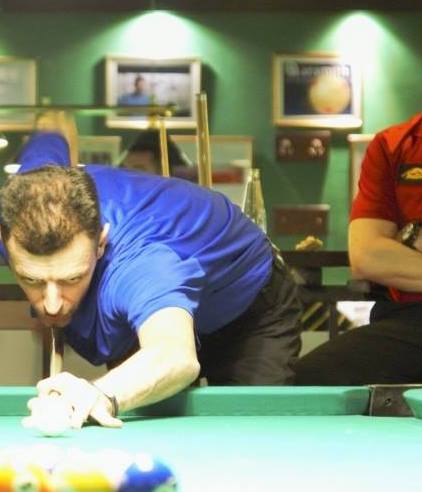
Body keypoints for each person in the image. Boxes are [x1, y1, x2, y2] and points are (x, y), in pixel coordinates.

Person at [0, 114, 302, 430]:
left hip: (246, 310)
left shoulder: (140, 261)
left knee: (247, 434)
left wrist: (95, 394)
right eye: (32, 279)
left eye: (71, 278)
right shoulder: (27, 199)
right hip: (146, 313)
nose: (50, 305)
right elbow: (55, 125)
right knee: (146, 432)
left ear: (101, 243)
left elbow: (174, 356)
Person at [295, 0, 422, 392]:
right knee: (302, 386)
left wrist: (415, 235)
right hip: (407, 320)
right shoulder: (392, 145)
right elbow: (367, 256)